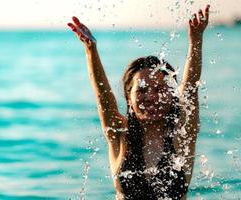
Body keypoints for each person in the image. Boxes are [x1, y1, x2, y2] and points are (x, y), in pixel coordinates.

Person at [68, 5, 210, 200]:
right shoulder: (119, 135)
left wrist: (196, 41)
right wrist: (91, 50)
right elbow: (103, 96)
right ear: (129, 97)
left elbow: (190, 87)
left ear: (172, 96)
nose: (151, 97)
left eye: (160, 89)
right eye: (142, 90)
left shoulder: (182, 135)